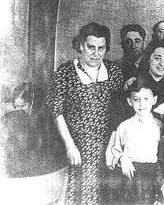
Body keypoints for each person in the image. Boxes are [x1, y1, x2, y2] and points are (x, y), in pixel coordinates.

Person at [46, 22, 123, 205]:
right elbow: (56, 110)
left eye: (101, 48)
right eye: (91, 47)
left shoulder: (113, 72)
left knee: (105, 194)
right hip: (77, 146)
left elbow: (118, 112)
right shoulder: (66, 72)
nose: (96, 53)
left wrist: (112, 147)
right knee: (78, 194)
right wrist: (69, 145)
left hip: (107, 146)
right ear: (81, 46)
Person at [111, 79, 162, 204]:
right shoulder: (124, 126)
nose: (141, 104)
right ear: (130, 101)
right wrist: (122, 158)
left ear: (154, 100)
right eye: (136, 99)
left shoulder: (160, 126)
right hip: (130, 174)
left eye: (146, 99)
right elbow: (115, 150)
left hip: (152, 174)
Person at [1, 82, 42, 177]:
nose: (18, 110)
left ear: (34, 105)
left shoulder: (41, 124)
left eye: (21, 106)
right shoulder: (13, 121)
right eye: (16, 106)